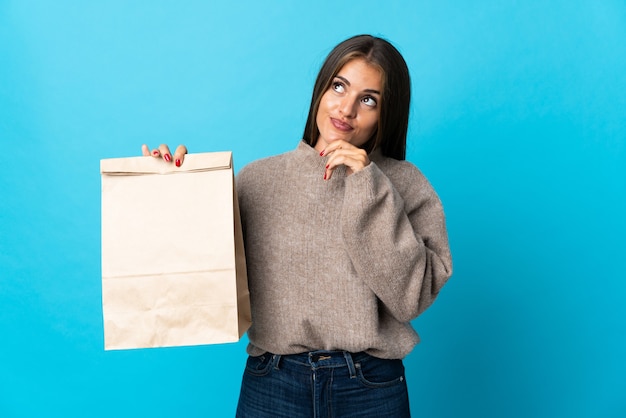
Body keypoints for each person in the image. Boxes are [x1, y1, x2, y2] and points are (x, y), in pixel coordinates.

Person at [143, 34, 452, 418]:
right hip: (274, 382)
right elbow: (196, 276)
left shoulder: (404, 184)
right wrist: (173, 186)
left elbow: (409, 299)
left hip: (370, 388)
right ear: (321, 89)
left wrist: (367, 184)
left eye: (368, 99)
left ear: (385, 115)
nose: (346, 108)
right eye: (339, 86)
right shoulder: (258, 181)